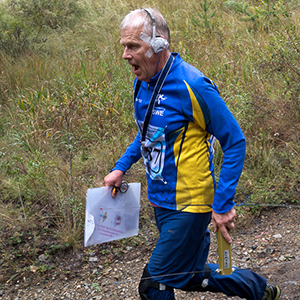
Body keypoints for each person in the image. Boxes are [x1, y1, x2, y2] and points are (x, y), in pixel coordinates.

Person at [104, 7, 281, 300]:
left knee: (155, 284)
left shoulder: (192, 84)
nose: (125, 54)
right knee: (188, 275)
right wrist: (121, 166)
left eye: (133, 46)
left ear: (159, 43)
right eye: (124, 46)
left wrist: (223, 204)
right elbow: (149, 132)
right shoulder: (143, 82)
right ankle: (260, 290)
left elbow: (235, 140)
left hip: (190, 204)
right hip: (161, 201)